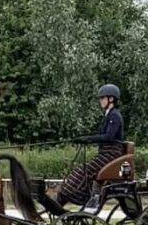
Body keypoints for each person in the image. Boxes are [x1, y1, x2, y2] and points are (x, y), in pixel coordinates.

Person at [53, 84, 127, 214]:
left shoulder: (115, 115)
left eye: (102, 98)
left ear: (111, 99)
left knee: (84, 170)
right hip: (105, 154)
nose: (100, 101)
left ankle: (74, 197)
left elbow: (109, 136)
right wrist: (85, 138)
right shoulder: (108, 115)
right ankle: (73, 198)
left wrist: (88, 138)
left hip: (111, 154)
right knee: (82, 170)